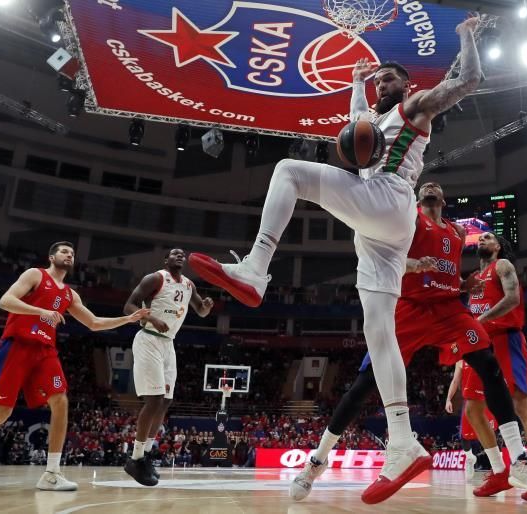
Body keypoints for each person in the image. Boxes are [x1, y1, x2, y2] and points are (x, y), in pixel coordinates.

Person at [190, 14, 490, 504]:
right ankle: (402, 440)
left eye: (387, 78)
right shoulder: (373, 119)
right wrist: (355, 84)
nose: (381, 84)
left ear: (406, 83)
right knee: (379, 330)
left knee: (289, 171)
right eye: (378, 81)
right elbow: (358, 125)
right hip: (384, 231)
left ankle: (256, 267)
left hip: (391, 199)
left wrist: (466, 36)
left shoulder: (414, 106)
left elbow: (469, 80)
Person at [288, 183, 527, 502]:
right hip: (408, 309)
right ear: (417, 198)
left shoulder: (456, 232)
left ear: (443, 200)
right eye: (423, 185)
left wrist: (463, 283)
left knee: (488, 363)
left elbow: (453, 273)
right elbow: (378, 247)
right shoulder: (405, 219)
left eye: (435, 187)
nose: (429, 187)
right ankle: (316, 462)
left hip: (448, 310)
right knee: (364, 384)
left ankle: (520, 463)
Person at [0, 242, 148, 491]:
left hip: (45, 351)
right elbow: (6, 301)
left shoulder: (69, 294)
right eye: (64, 251)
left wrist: (128, 319)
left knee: (61, 400)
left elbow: (94, 323)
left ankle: (51, 472)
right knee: (0, 414)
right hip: (18, 346)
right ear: (51, 256)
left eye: (72, 253)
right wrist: (41, 312)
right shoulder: (35, 274)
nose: (69, 255)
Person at [462, 232, 527, 500]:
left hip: (506, 338)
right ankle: (499, 472)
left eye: (488, 237)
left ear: (498, 246)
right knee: (473, 409)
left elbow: (513, 300)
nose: (482, 240)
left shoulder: (503, 266)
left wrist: (479, 320)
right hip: (479, 344)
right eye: (480, 239)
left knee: (520, 402)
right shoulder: (472, 279)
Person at [122, 249, 214, 486]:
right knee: (154, 399)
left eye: (182, 254)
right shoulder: (155, 278)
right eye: (174, 253)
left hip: (168, 344)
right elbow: (128, 306)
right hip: (149, 337)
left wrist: (206, 306)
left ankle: (146, 455)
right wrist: (151, 318)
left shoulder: (189, 285)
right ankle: (135, 459)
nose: (179, 256)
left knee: (165, 401)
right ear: (166, 260)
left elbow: (201, 312)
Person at [446, 360, 498, 483]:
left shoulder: (485, 356)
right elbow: (455, 381)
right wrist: (448, 399)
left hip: (486, 399)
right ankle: (469, 458)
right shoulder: (459, 362)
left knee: (490, 432)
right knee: (465, 435)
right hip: (469, 400)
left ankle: (497, 467)